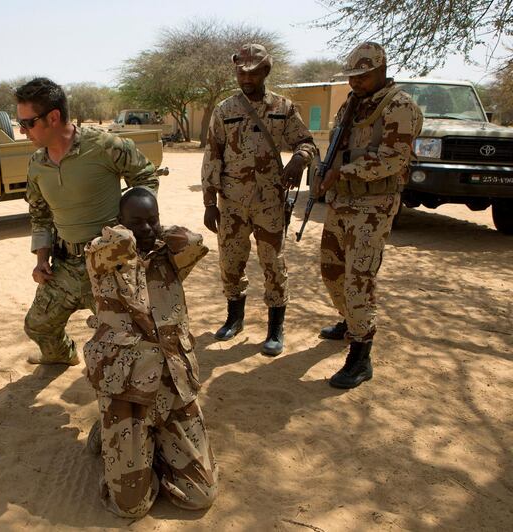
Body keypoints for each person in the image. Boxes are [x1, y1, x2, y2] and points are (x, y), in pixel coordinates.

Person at [83, 187, 218, 518]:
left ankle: (154, 448)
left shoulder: (167, 258)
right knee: (130, 508)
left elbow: (195, 241)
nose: (145, 229)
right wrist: (129, 237)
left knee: (199, 496)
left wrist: (159, 232)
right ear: (121, 222)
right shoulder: (101, 259)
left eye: (151, 220)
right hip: (127, 392)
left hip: (172, 385)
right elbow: (110, 246)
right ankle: (112, 431)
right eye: (136, 221)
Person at [18, 77, 159, 366]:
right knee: (37, 325)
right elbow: (40, 213)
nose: (22, 130)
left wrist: (133, 224)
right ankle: (61, 356)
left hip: (109, 266)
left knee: (126, 338)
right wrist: (41, 259)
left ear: (53, 117)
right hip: (65, 266)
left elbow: (145, 175)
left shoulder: (105, 146)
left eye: (28, 123)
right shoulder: (36, 164)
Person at [318, 42, 423, 389]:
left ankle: (360, 356)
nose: (356, 82)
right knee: (331, 270)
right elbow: (338, 145)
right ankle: (350, 321)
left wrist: (344, 171)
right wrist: (326, 173)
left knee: (358, 277)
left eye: (363, 76)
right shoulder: (353, 104)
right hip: (342, 203)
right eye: (353, 77)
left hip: (374, 205)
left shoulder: (399, 106)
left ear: (380, 70)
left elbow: (393, 158)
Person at [201, 44, 316, 355]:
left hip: (269, 202)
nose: (246, 77)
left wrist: (299, 159)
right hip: (232, 203)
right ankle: (234, 318)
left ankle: (275, 329)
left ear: (266, 71)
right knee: (230, 262)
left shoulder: (284, 107)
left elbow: (307, 142)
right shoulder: (225, 110)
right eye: (241, 72)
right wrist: (209, 202)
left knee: (273, 264)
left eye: (253, 72)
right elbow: (213, 154)